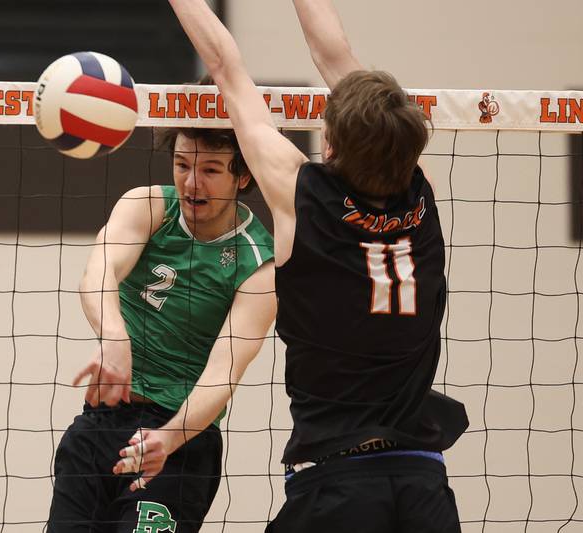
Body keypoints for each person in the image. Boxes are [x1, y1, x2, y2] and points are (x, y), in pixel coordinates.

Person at [168, 0, 469, 531]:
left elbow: (225, 66)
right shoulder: (420, 196)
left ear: (329, 143)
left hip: (339, 488)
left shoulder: (301, 196)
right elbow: (336, 56)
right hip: (424, 485)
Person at [46, 120, 276, 532]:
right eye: (182, 164)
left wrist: (168, 439)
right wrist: (115, 337)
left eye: (210, 170)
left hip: (178, 441)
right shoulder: (148, 206)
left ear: (242, 176)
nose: (191, 183)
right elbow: (98, 273)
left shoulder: (258, 261)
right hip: (100, 425)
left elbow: (224, 373)